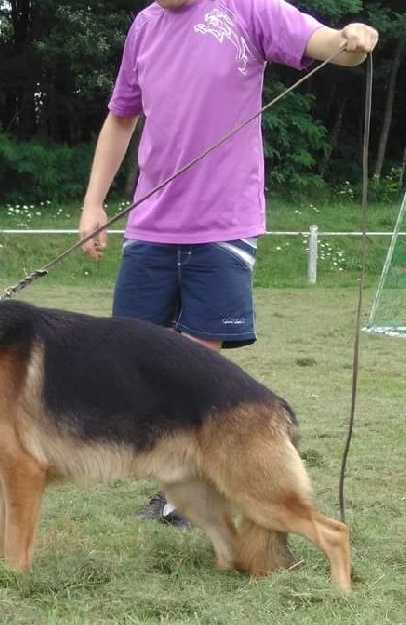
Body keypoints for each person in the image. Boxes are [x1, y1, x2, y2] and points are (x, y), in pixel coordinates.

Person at [78, 0, 378, 527]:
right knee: (134, 364)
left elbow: (326, 44)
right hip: (150, 225)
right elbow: (121, 116)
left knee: (193, 363)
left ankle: (185, 498)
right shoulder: (144, 26)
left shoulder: (250, 9)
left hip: (223, 224)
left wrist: (352, 39)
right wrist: (93, 203)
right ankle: (184, 487)